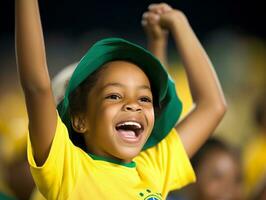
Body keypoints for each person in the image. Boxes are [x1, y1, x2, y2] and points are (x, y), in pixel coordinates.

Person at [15, 1, 226, 199]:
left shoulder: (153, 167)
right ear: (80, 119)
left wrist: (180, 24)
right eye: (114, 95)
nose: (134, 105)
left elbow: (213, 106)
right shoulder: (66, 168)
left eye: (144, 99)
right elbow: (37, 86)